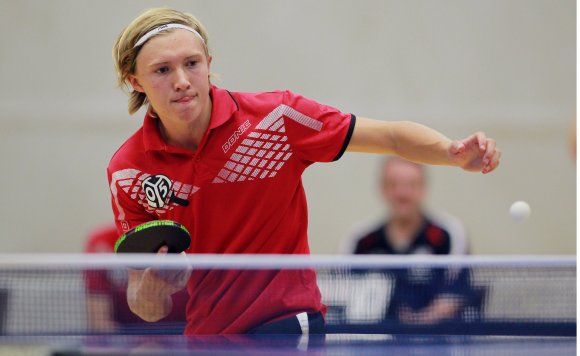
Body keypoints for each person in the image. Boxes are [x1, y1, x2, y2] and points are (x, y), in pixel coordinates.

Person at [108, 7, 501, 335]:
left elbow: (392, 136)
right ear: (134, 81)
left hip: (285, 322)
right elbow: (147, 305)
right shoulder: (128, 172)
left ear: (209, 64)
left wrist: (451, 153)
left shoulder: (276, 119)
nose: (181, 81)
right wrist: (154, 288)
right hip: (208, 335)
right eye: (162, 70)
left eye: (191, 64)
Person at [350, 157, 474, 326]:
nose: (403, 193)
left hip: (437, 341)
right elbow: (342, 289)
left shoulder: (448, 234)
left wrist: (417, 322)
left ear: (423, 188)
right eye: (394, 184)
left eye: (411, 185)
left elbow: (456, 293)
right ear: (382, 189)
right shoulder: (361, 239)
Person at [84, 223, 188, 334]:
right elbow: (100, 322)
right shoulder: (101, 243)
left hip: (183, 335)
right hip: (126, 339)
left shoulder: (188, 240)